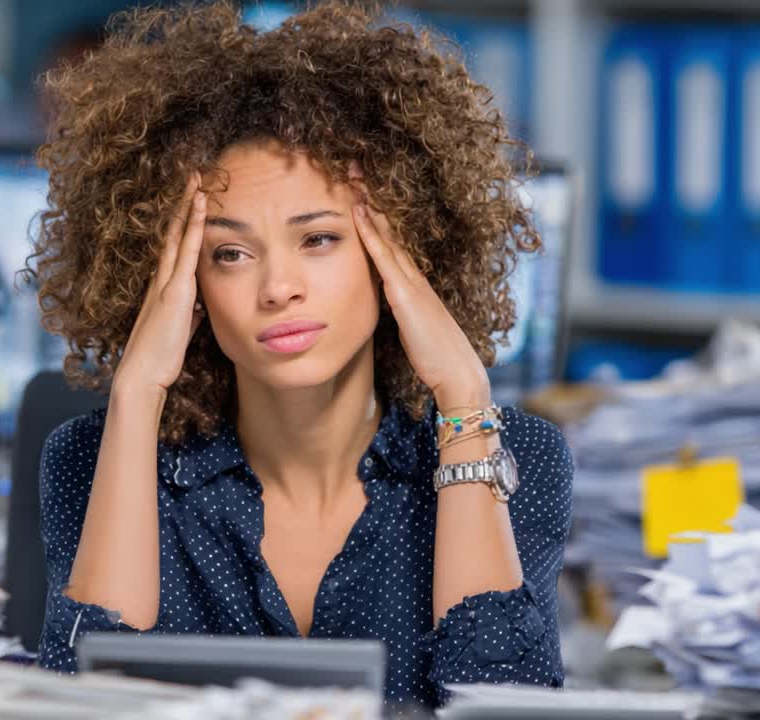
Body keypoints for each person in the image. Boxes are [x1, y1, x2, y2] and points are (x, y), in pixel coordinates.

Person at [30, 2, 573, 711]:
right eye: (230, 253)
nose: (277, 288)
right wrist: (135, 396)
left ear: (401, 251)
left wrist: (464, 397)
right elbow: (80, 705)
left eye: (318, 239)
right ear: (183, 282)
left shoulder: (518, 460)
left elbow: (504, 706)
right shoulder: (90, 460)